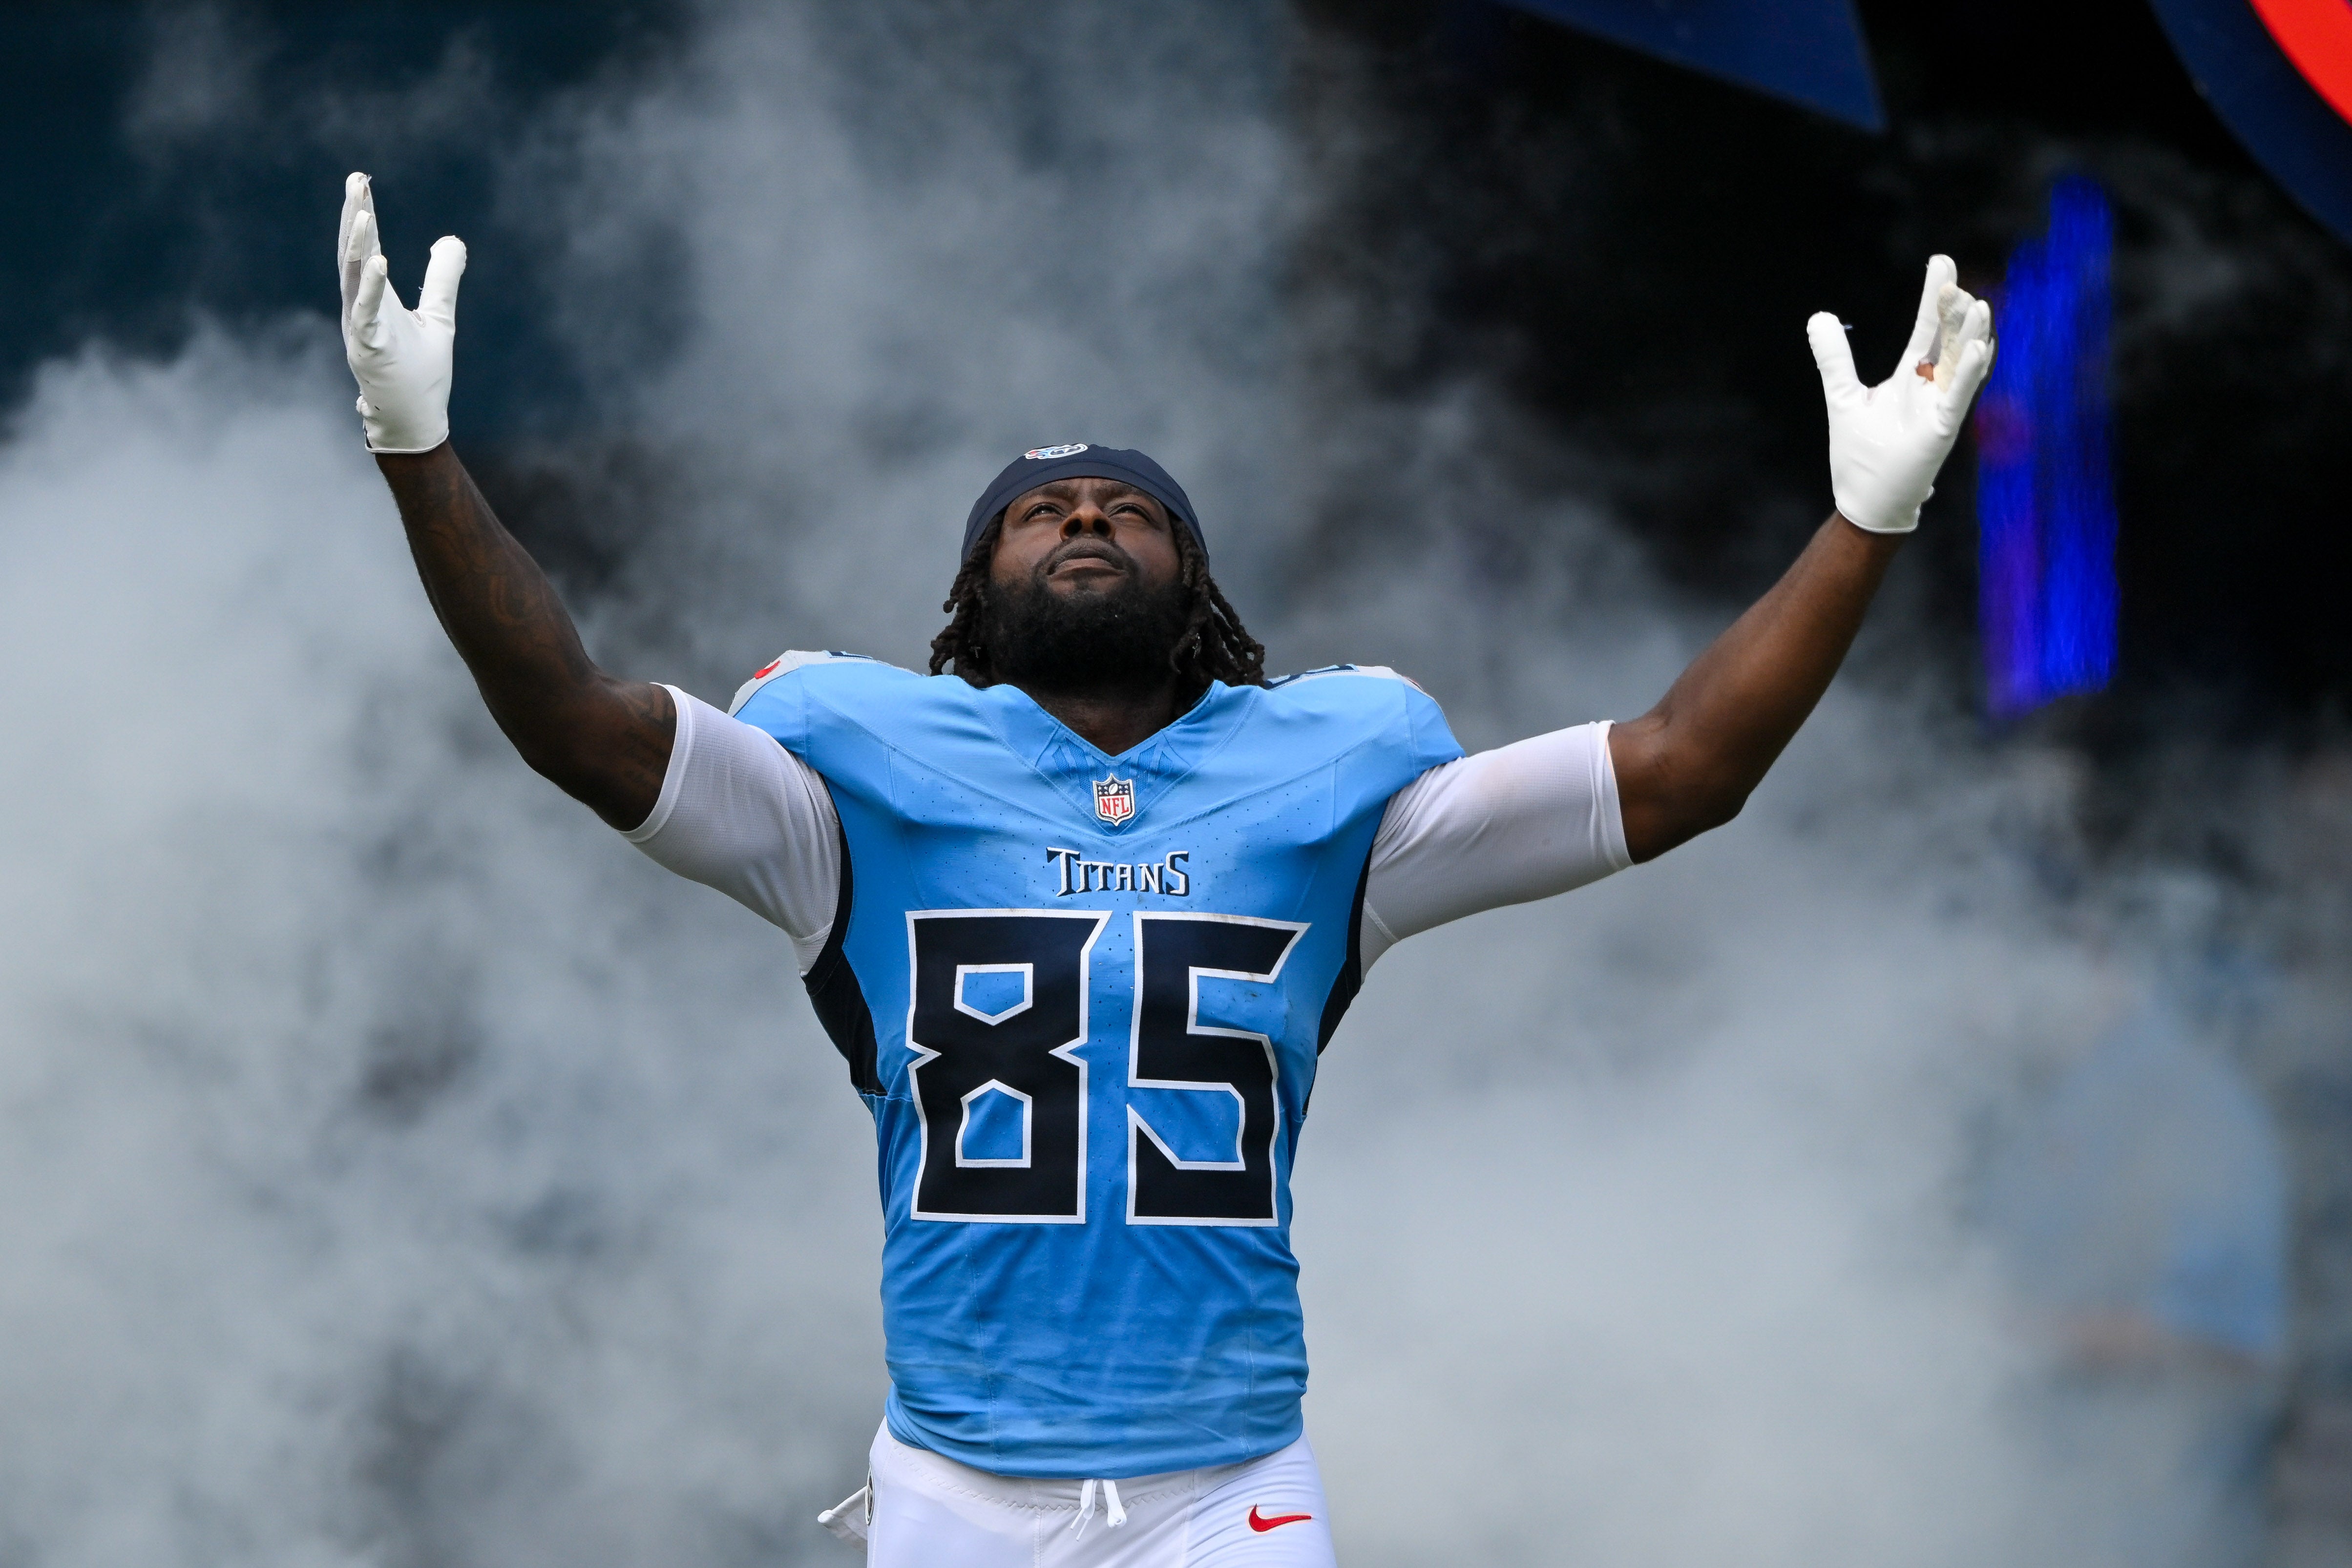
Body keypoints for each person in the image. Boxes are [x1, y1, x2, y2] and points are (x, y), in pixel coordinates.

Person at [335, 170, 1993, 1566]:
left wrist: (1865, 523)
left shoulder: (1326, 780)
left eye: (1126, 507)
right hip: (954, 1487)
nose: (1082, 520)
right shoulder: (856, 779)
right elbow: (566, 715)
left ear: (1190, 577)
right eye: (1038, 509)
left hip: (1229, 1489)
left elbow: (1682, 769)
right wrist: (420, 453)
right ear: (976, 594)